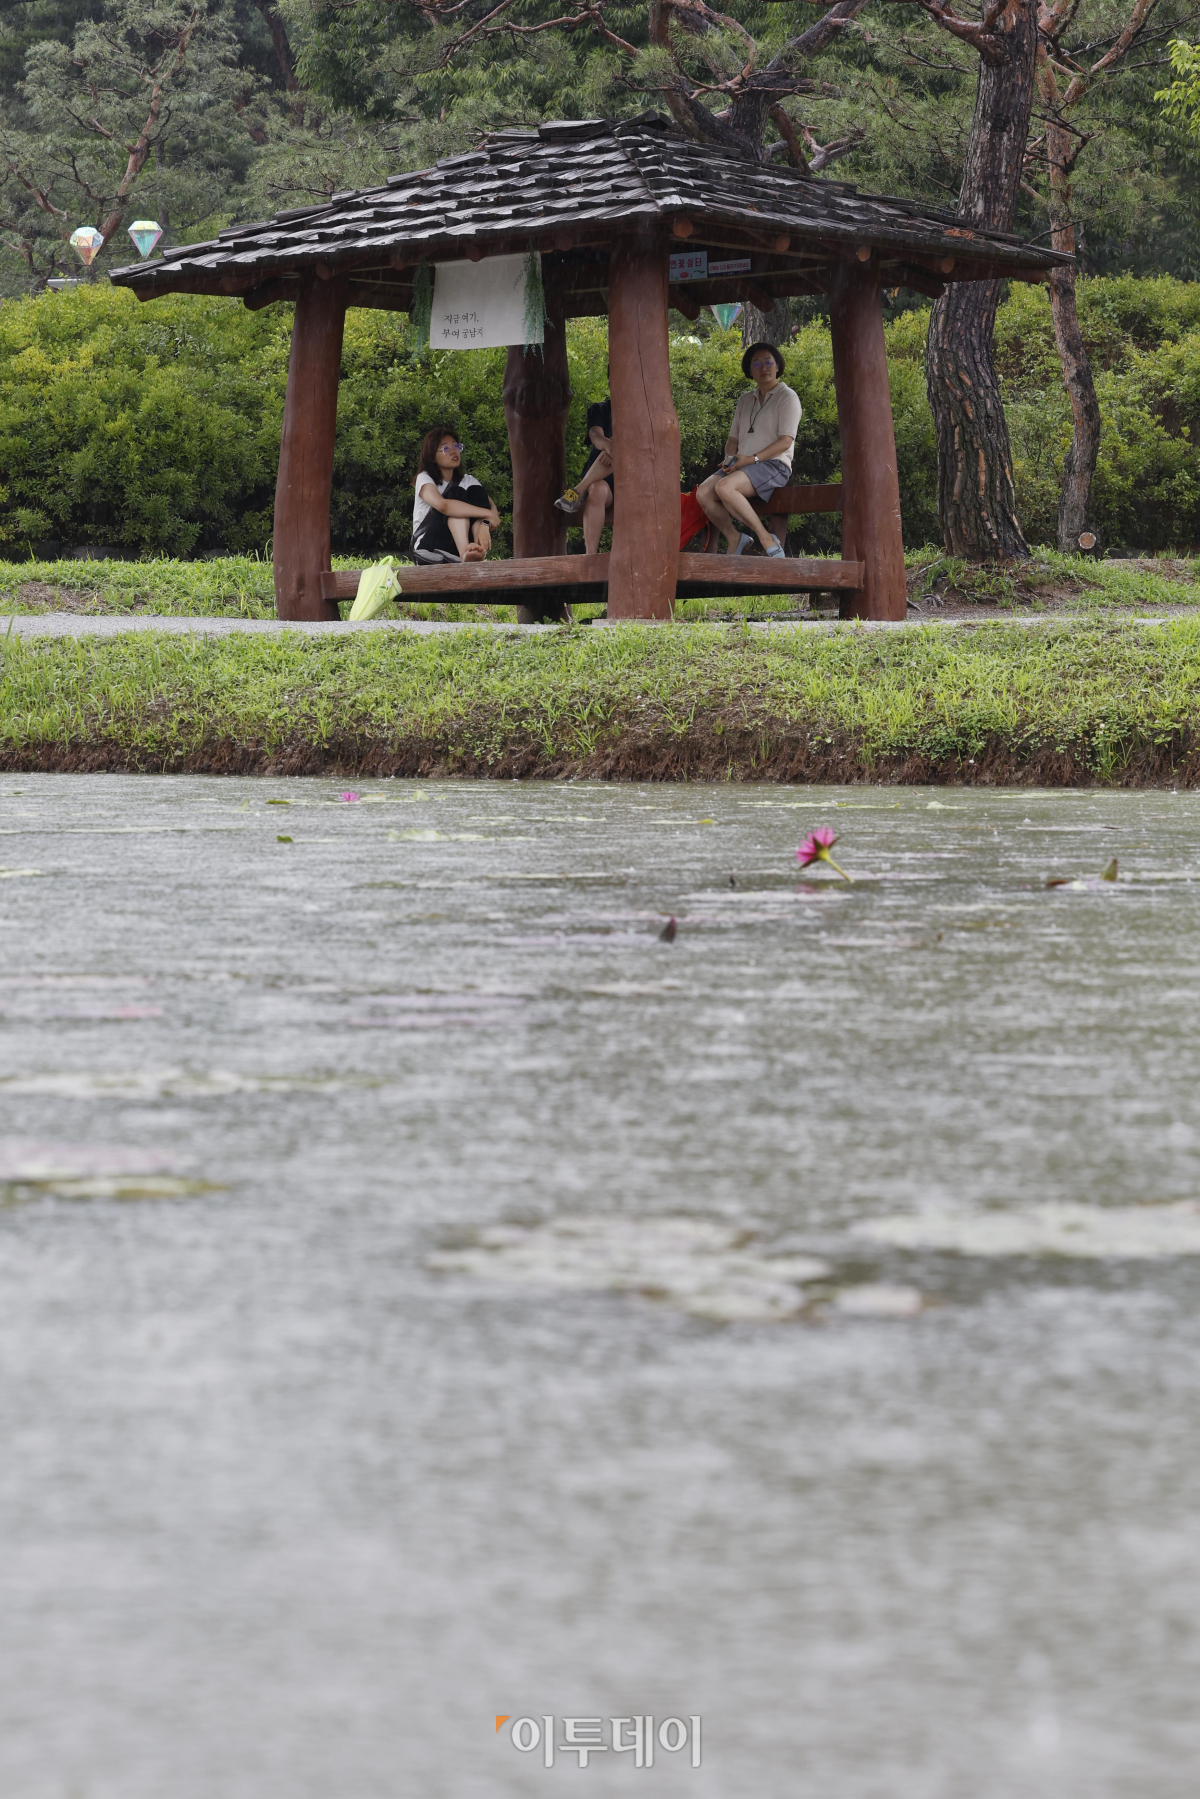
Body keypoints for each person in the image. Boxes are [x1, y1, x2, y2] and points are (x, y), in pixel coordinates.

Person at [696, 343, 802, 557]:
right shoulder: (745, 399)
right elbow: (732, 440)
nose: (763, 367)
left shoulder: (787, 397)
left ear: (778, 365)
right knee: (704, 493)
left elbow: (785, 442)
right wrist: (730, 460)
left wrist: (751, 459)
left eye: (768, 362)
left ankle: (765, 538)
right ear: (749, 370)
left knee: (725, 488)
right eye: (756, 363)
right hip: (742, 465)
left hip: (774, 465)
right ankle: (735, 537)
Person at [412, 425, 501, 564]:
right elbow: (443, 506)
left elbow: (491, 507)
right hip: (429, 550)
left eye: (456, 446)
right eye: (446, 448)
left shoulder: (468, 480)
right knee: (456, 495)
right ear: (432, 456)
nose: (454, 451)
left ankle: (473, 552)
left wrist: (485, 523)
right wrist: (488, 515)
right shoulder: (424, 478)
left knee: (475, 491)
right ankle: (465, 553)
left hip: (456, 550)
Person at [555, 392, 614, 556]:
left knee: (620, 446)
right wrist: (609, 445)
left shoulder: (640, 413)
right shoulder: (599, 409)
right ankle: (590, 556)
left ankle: (577, 491)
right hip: (602, 480)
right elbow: (596, 436)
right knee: (597, 490)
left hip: (630, 480)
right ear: (610, 382)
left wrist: (617, 446)